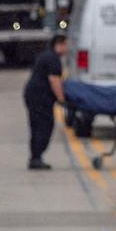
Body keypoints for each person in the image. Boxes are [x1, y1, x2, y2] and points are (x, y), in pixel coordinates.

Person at [22, 34, 68, 170]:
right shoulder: (53, 59)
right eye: (66, 44)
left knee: (36, 126)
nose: (68, 48)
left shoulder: (46, 56)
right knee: (44, 126)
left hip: (34, 95)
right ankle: (36, 157)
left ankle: (35, 157)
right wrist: (61, 99)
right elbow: (54, 80)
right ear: (59, 44)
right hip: (40, 97)